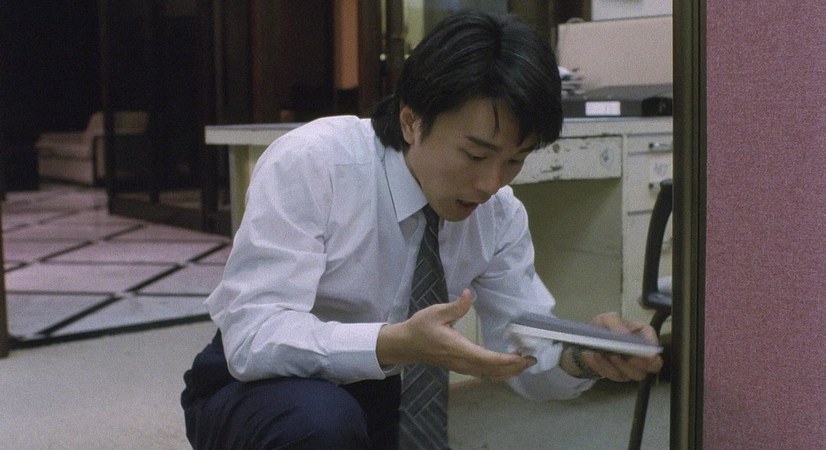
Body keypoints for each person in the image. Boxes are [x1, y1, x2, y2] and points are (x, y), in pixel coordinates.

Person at [181, 10, 662, 450]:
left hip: (380, 391)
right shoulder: (314, 163)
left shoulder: (500, 215)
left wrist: (581, 356)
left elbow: (521, 347)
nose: (490, 183)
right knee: (321, 423)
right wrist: (392, 343)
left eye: (514, 160)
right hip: (254, 386)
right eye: (475, 154)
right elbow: (254, 337)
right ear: (411, 120)